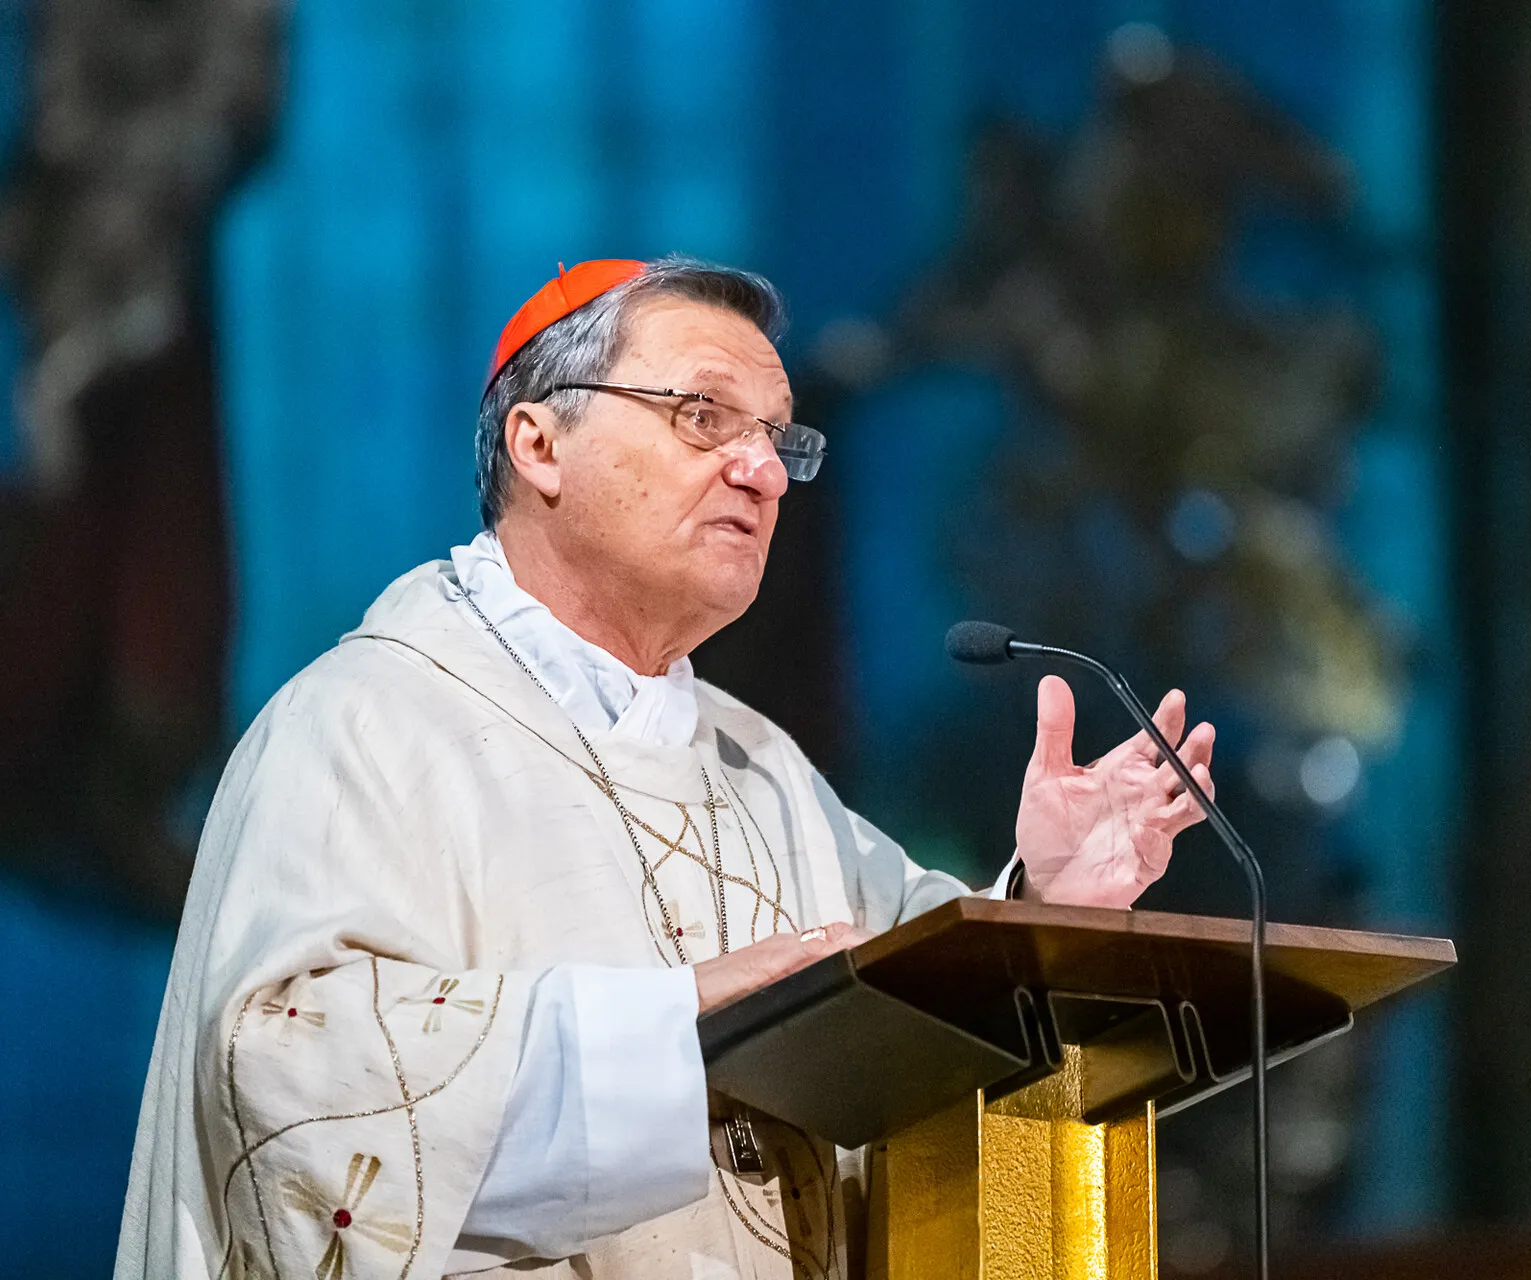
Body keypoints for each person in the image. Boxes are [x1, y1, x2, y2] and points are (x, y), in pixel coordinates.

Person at [114, 256, 1217, 1280]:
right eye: (701, 415)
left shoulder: (761, 768)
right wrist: (663, 1032)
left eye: (781, 441)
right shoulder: (365, 724)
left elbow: (912, 1031)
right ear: (540, 445)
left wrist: (1038, 903)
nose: (762, 472)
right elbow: (282, 1073)